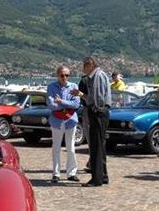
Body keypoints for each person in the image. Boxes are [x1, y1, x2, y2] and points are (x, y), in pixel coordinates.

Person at [73, 57, 111, 187]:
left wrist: (94, 109)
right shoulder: (98, 76)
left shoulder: (97, 77)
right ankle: (103, 175)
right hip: (99, 113)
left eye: (84, 66)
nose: (83, 69)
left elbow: (97, 99)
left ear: (90, 65)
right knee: (100, 145)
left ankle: (97, 178)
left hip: (98, 113)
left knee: (96, 146)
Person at [47, 65, 80, 183]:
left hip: (71, 120)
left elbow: (76, 104)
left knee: (71, 147)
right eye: (62, 75)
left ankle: (71, 173)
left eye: (67, 75)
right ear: (57, 75)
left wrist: (61, 101)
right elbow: (51, 105)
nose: (64, 77)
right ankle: (56, 174)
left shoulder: (74, 86)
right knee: (56, 148)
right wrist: (67, 104)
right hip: (56, 120)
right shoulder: (51, 87)